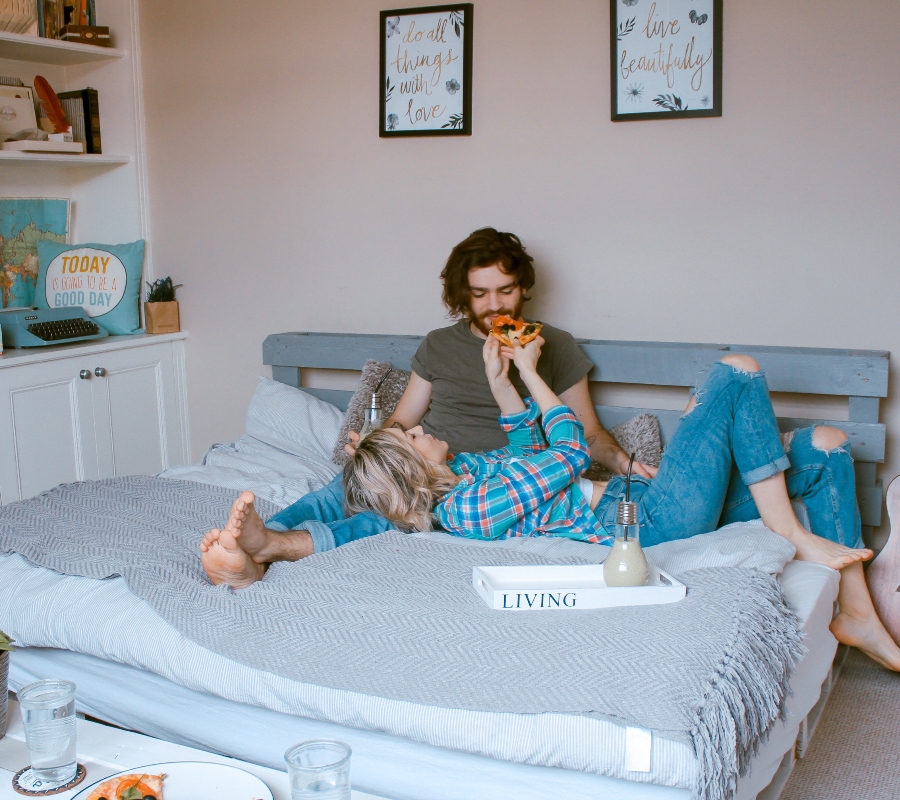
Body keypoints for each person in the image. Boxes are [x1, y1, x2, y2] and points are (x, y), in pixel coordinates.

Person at [201, 336, 900, 671]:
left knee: (828, 445)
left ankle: (853, 609)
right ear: (414, 469)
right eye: (413, 435)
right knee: (738, 372)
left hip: (645, 495)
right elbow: (567, 453)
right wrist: (537, 375)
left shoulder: (467, 471)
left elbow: (529, 443)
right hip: (649, 520)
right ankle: (791, 534)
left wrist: (504, 382)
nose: (423, 427)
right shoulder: (468, 510)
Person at [202, 227, 649, 561]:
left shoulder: (552, 345)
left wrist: (630, 468)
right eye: (480, 294)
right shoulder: (439, 345)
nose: (495, 305)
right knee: (338, 490)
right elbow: (403, 420)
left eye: (506, 290)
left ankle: (276, 548)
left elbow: (588, 434)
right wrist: (376, 444)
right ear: (462, 295)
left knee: (379, 522)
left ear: (524, 288)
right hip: (426, 465)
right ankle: (257, 538)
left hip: (493, 481)